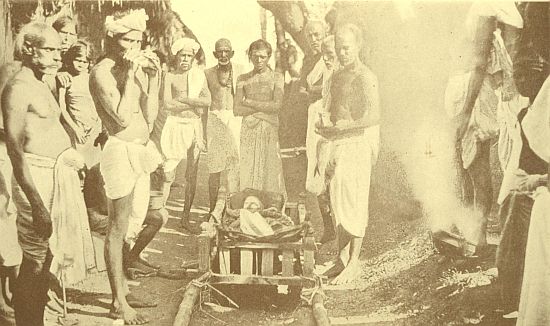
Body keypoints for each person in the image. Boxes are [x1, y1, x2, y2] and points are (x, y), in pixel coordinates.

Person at [2, 22, 94, 326]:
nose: (58, 56)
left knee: (49, 259)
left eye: (59, 50)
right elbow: (15, 150)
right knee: (35, 261)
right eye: (50, 50)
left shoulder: (44, 82)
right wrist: (36, 202)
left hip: (55, 179)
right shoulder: (17, 88)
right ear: (29, 49)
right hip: (36, 182)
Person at [89, 9, 162, 324]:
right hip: (119, 152)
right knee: (117, 229)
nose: (131, 47)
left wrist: (155, 79)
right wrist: (132, 75)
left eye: (136, 41)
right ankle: (118, 302)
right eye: (125, 41)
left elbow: (149, 115)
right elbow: (119, 120)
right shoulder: (102, 72)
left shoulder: (133, 67)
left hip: (141, 150)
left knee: (138, 222)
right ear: (109, 39)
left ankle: (124, 291)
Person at [450, 2, 525, 252]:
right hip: (468, 88)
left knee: (473, 165)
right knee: (471, 166)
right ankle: (473, 238)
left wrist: (464, 111)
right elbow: (476, 59)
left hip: (472, 88)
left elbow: (483, 61)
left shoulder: (489, 7)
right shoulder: (481, 6)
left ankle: (475, 238)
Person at [317, 23, 380, 285]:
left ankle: (354, 262)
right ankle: (341, 259)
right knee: (336, 201)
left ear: (358, 47)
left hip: (357, 143)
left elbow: (374, 116)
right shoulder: (336, 76)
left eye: (347, 48)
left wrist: (347, 126)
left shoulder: (367, 76)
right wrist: (325, 127)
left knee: (353, 201)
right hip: (338, 143)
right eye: (339, 48)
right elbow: (333, 110)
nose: (342, 53)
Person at [160, 37, 210, 232]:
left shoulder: (199, 76)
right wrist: (193, 103)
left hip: (194, 126)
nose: (186, 59)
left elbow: (207, 101)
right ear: (177, 56)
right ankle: (160, 213)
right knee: (168, 173)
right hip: (174, 125)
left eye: (189, 56)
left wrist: (186, 100)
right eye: (183, 55)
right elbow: (167, 104)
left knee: (192, 173)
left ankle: (185, 217)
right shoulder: (170, 76)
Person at [234, 39, 286, 197]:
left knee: (270, 169)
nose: (259, 60)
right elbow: (237, 109)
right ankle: (249, 207)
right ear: (249, 55)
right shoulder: (242, 79)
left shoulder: (277, 77)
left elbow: (276, 106)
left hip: (269, 129)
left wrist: (249, 102)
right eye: (255, 56)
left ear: (269, 57)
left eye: (263, 57)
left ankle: (270, 208)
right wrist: (262, 109)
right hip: (249, 129)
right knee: (248, 169)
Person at [302, 21, 337, 243]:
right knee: (317, 169)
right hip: (317, 117)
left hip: (335, 118)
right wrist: (319, 90)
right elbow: (304, 87)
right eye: (310, 35)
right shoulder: (312, 61)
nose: (313, 39)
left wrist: (319, 90)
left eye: (317, 34)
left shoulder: (340, 60)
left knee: (334, 170)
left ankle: (341, 224)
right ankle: (328, 226)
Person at [204, 38, 243, 212]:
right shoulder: (207, 73)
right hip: (214, 119)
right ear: (214, 54)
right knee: (215, 168)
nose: (223, 54)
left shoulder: (241, 71)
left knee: (236, 165)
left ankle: (233, 210)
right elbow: (204, 103)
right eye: (220, 51)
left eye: (227, 51)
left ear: (232, 53)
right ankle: (213, 211)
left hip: (235, 120)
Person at [58, 40, 102, 168]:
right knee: (76, 164)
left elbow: (98, 103)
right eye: (78, 60)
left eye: (85, 61)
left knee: (93, 165)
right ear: (71, 59)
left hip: (93, 128)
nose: (81, 64)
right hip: (74, 127)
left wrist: (97, 124)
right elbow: (63, 107)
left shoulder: (92, 78)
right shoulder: (66, 79)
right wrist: (75, 129)